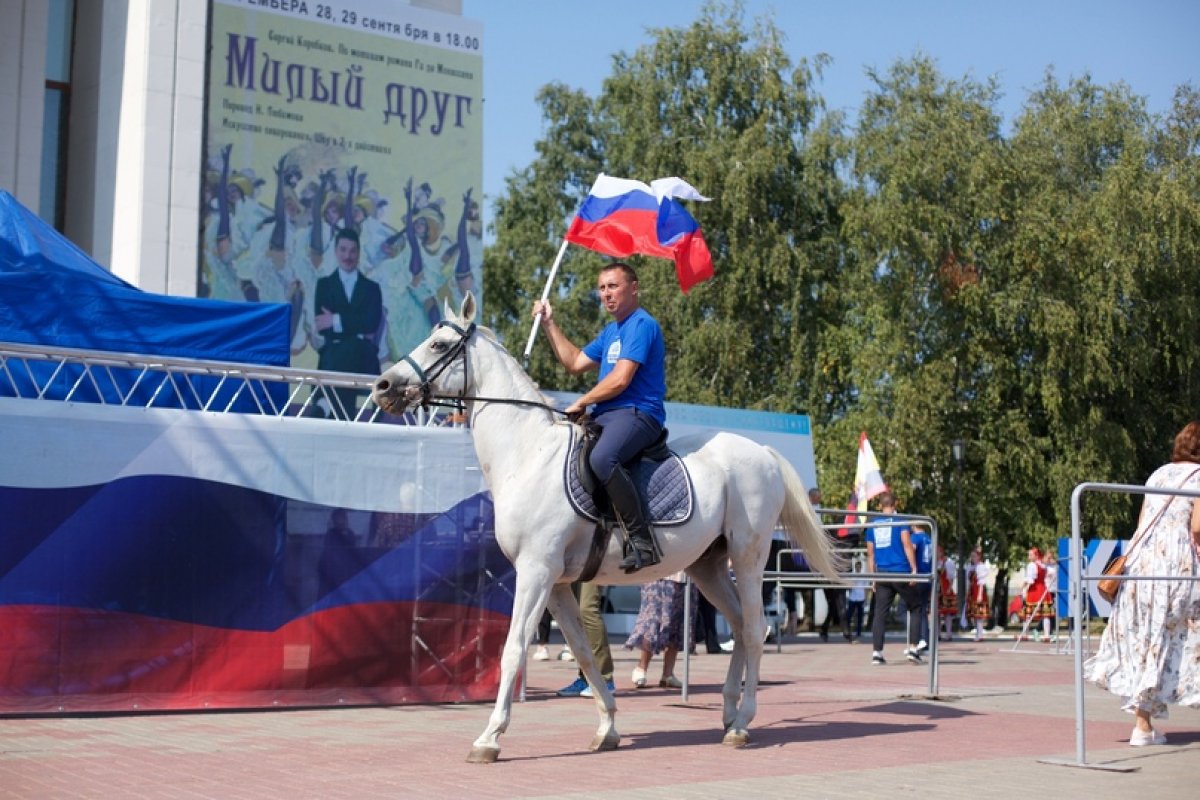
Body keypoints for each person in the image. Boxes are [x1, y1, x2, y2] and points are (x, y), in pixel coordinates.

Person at [532, 262, 666, 573]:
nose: (606, 294)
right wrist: (549, 324)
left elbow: (621, 380)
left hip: (638, 413)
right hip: (607, 415)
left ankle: (642, 541)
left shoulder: (642, 324)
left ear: (634, 288)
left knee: (604, 458)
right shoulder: (611, 331)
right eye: (602, 288)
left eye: (613, 286)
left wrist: (583, 400)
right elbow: (575, 362)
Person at [1085, 421, 1200, 746]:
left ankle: (1143, 725)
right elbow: (1197, 526)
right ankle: (1144, 723)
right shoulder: (1199, 477)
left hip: (1140, 566)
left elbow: (1142, 523)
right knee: (1180, 636)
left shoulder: (1158, 474)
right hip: (1175, 566)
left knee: (1148, 640)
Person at [313, 228, 383, 419]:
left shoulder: (372, 288)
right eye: (343, 250)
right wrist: (356, 324)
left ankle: (324, 405)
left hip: (363, 357)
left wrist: (336, 319)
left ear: (359, 253)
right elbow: (321, 325)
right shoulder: (324, 285)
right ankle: (341, 415)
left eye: (352, 251)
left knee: (348, 350)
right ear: (336, 252)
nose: (348, 256)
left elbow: (371, 324)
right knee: (344, 350)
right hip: (332, 355)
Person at [865, 491, 924, 665]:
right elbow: (907, 545)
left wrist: (873, 577)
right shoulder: (901, 521)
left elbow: (870, 554)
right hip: (900, 571)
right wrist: (914, 569)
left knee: (879, 613)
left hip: (882, 572)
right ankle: (913, 648)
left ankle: (877, 652)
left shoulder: (873, 524)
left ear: (880, 505)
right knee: (916, 606)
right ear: (895, 504)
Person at [625, 572, 695, 689]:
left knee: (678, 624)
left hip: (686, 576)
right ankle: (641, 668)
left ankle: (668, 674)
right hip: (660, 574)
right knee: (652, 622)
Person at [556, 581, 615, 698]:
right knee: (574, 610)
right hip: (573, 563)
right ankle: (585, 678)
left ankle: (605, 679)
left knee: (588, 610)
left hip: (592, 563)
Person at [1019, 547, 1052, 641]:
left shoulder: (1032, 565)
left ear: (1036, 555)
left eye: (1030, 555)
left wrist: (1023, 588)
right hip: (1043, 590)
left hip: (1034, 591)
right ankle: (1046, 635)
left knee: (1028, 614)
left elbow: (1030, 580)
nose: (1029, 556)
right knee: (1045, 614)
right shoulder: (1042, 565)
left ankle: (1025, 634)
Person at [965, 547, 990, 641]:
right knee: (974, 615)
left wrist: (979, 594)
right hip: (972, 592)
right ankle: (978, 633)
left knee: (979, 614)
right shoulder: (971, 567)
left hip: (978, 592)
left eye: (974, 556)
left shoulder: (981, 567)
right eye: (972, 556)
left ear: (979, 557)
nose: (972, 558)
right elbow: (969, 581)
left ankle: (980, 635)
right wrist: (967, 592)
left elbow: (981, 582)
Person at [936, 546, 958, 641]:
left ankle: (949, 634)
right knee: (937, 613)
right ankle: (937, 634)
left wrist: (949, 588)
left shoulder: (947, 562)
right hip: (937, 591)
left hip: (945, 590)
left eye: (938, 552)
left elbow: (951, 577)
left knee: (947, 613)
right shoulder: (934, 562)